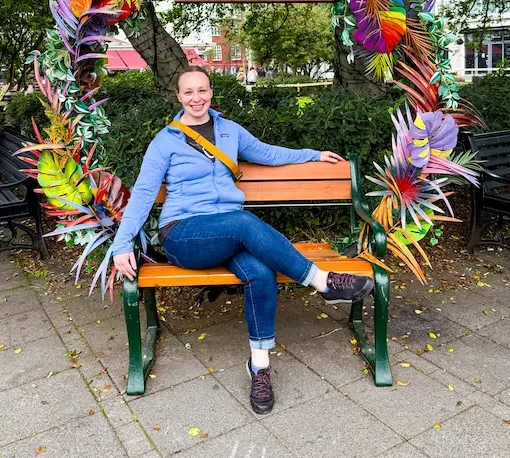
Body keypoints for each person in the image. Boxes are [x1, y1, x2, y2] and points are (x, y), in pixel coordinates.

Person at [110, 67, 374, 414]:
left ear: (211, 92)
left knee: (261, 272)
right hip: (184, 234)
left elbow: (268, 153)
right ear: (178, 96)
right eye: (188, 92)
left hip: (230, 234)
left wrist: (312, 154)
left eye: (202, 90)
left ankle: (260, 367)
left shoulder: (228, 131)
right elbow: (144, 193)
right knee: (242, 221)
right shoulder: (165, 141)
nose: (196, 98)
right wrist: (122, 242)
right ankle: (322, 281)